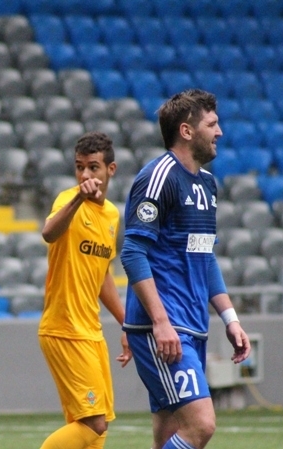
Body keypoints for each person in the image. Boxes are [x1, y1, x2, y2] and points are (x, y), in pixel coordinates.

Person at [120, 89, 251, 449]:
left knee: (168, 435)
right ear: (187, 131)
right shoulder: (159, 176)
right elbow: (132, 252)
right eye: (212, 124)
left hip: (191, 327)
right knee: (201, 425)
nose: (219, 132)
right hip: (164, 327)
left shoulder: (207, 184)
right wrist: (160, 322)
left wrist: (230, 319)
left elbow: (204, 256)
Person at [38, 131, 131, 449]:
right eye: (80, 167)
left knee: (97, 429)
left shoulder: (112, 215)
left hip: (91, 331)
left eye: (93, 167)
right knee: (94, 423)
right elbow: (49, 233)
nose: (85, 175)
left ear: (110, 170)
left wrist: (127, 323)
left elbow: (102, 274)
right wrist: (79, 197)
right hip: (64, 329)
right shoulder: (68, 200)